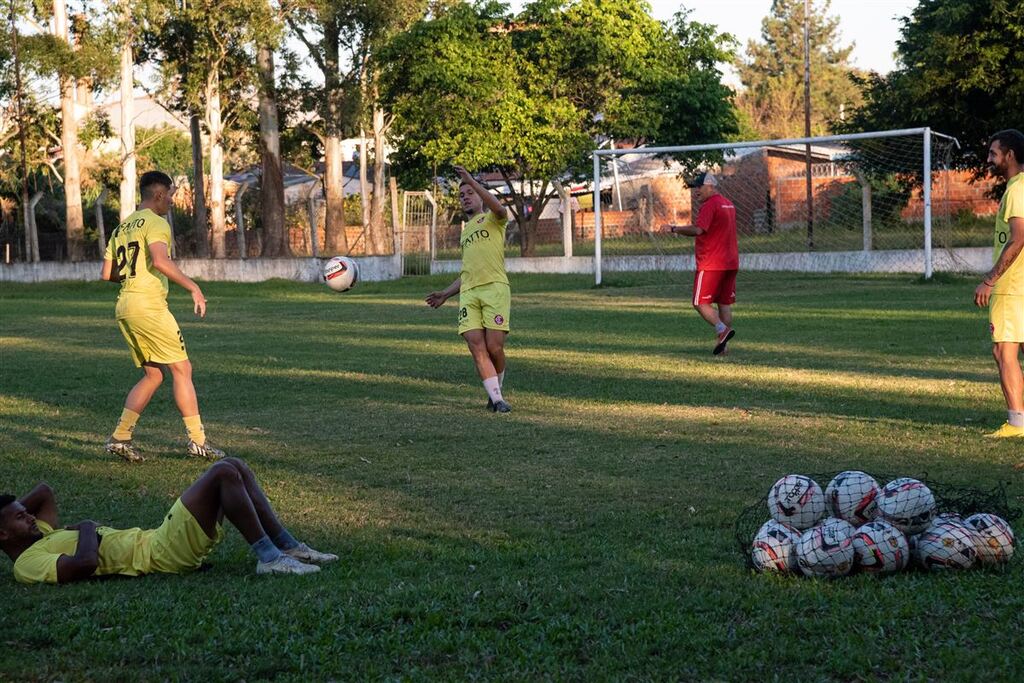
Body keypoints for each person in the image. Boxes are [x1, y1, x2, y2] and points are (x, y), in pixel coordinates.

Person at [0, 457, 337, 584]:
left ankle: (288, 548)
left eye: (26, 512)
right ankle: (269, 559)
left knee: (236, 467)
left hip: (156, 542)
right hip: (159, 554)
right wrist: (88, 526)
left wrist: (10, 512)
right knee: (221, 472)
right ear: (3, 535)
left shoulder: (38, 534)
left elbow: (44, 491)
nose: (30, 517)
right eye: (20, 517)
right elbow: (84, 563)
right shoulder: (27, 563)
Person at [101, 171, 223, 462]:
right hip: (149, 306)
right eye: (170, 194)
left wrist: (134, 275)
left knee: (154, 375)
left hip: (125, 306)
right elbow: (160, 260)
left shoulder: (122, 227)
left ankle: (120, 437)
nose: (171, 200)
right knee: (183, 370)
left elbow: (107, 273)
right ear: (158, 194)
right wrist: (194, 287)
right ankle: (198, 442)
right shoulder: (156, 223)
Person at [426, 167, 512, 413]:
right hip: (470, 294)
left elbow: (500, 208)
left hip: (495, 289)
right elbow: (467, 273)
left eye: (469, 192)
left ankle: (497, 388)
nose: (464, 196)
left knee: (495, 347)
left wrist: (472, 181)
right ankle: (497, 401)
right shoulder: (465, 234)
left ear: (479, 194)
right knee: (476, 346)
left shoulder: (494, 219)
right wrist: (445, 294)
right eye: (461, 194)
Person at [974, 129, 1024, 438]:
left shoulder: (1017, 191)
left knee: (1003, 352)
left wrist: (990, 280)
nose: (989, 159)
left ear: (1010, 155)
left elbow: (1019, 239)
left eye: (994, 153)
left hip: (1012, 285)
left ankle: (1017, 424)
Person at [663, 171, 739, 355]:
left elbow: (698, 230)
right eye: (695, 187)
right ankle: (723, 347)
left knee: (699, 303)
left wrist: (674, 228)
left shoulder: (710, 205)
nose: (696, 190)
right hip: (730, 262)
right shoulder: (728, 204)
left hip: (712, 263)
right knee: (724, 303)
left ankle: (723, 330)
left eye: (699, 187)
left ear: (710, 186)